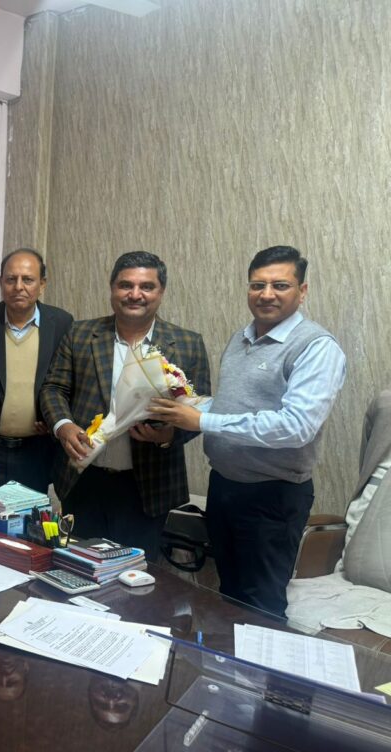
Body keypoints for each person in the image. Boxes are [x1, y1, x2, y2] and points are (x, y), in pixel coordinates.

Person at [150, 245, 345, 616]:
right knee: (230, 596)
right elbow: (232, 407)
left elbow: (295, 426)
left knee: (262, 604)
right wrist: (179, 410)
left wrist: (201, 421)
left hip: (272, 497)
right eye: (258, 285)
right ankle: (230, 658)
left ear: (302, 291)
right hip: (224, 487)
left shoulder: (317, 347)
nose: (266, 294)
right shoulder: (241, 339)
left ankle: (267, 658)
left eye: (280, 285)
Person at [40, 251, 210, 561]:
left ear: (161, 291)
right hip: (84, 481)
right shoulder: (80, 334)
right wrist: (63, 426)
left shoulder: (187, 343)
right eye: (125, 285)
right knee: (78, 567)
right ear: (112, 288)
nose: (135, 294)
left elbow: (200, 411)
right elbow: (53, 388)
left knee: (135, 576)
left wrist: (169, 435)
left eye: (147, 286)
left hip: (148, 488)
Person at [0, 248, 73, 492]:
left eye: (28, 279)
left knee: (31, 515)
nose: (18, 286)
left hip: (38, 451)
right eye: (11, 279)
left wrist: (53, 419)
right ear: (1, 282)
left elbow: (67, 382)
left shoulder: (62, 323)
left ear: (42, 284)